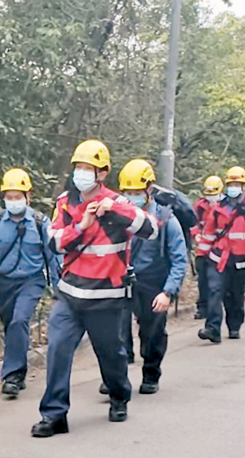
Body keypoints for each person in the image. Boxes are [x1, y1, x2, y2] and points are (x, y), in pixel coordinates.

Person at [31, 140, 158, 438]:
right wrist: (82, 225)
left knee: (111, 353)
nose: (81, 173)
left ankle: (119, 395)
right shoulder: (64, 202)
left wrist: (114, 209)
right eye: (78, 167)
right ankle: (54, 415)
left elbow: (150, 229)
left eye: (88, 168)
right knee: (58, 350)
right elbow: (53, 242)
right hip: (70, 293)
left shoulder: (118, 202)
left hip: (106, 296)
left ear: (102, 173)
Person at [99, 159, 187, 396]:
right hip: (121, 281)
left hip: (153, 283)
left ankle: (151, 373)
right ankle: (114, 378)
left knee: (152, 333)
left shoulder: (167, 219)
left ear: (149, 190)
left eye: (137, 192)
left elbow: (179, 259)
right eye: (127, 192)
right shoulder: (116, 216)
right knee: (115, 332)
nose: (132, 197)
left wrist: (168, 292)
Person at [0, 168, 60, 397]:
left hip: (31, 281)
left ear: (28, 196)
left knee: (20, 320)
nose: (13, 201)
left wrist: (60, 291)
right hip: (3, 283)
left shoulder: (41, 223)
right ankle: (17, 369)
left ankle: (13, 375)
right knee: (11, 324)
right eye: (9, 197)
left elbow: (54, 257)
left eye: (17, 197)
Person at [197, 166, 245, 344]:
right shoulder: (217, 209)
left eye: (237, 184)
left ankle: (234, 326)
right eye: (231, 183)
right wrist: (201, 255)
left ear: (243, 186)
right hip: (218, 259)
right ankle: (212, 329)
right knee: (214, 291)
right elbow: (209, 234)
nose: (233, 187)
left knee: (235, 296)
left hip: (240, 261)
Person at [191, 176, 224, 320]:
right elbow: (193, 222)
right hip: (203, 249)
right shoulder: (199, 206)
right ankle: (203, 308)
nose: (211, 197)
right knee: (202, 280)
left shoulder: (224, 206)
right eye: (208, 194)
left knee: (216, 282)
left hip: (220, 249)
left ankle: (216, 307)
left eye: (213, 194)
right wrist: (196, 235)